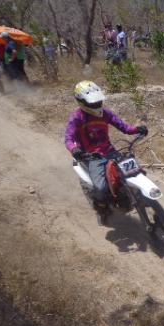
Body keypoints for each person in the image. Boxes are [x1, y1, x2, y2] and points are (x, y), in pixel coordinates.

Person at [64, 81, 147, 224]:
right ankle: (102, 210)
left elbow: (123, 127)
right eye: (93, 103)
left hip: (110, 151)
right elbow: (68, 138)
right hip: (92, 157)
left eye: (98, 101)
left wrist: (137, 129)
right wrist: (75, 150)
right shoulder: (77, 117)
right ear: (82, 102)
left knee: (136, 171)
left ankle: (134, 196)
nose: (97, 105)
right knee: (101, 189)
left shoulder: (105, 113)